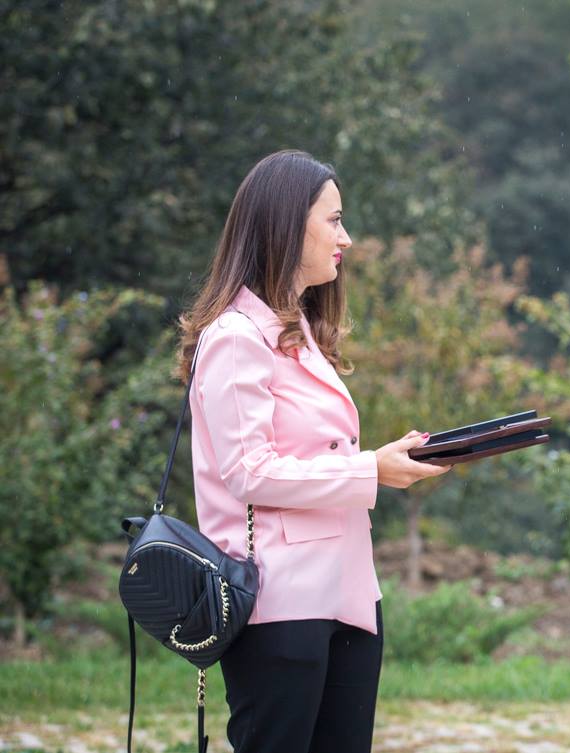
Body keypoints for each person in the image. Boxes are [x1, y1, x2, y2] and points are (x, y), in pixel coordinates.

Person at [176, 150, 449, 752]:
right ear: (285, 225)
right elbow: (249, 472)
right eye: (334, 220)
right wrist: (369, 470)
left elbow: (318, 454)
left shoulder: (297, 331)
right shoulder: (235, 338)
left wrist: (385, 461)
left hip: (348, 595)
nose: (345, 238)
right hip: (278, 601)